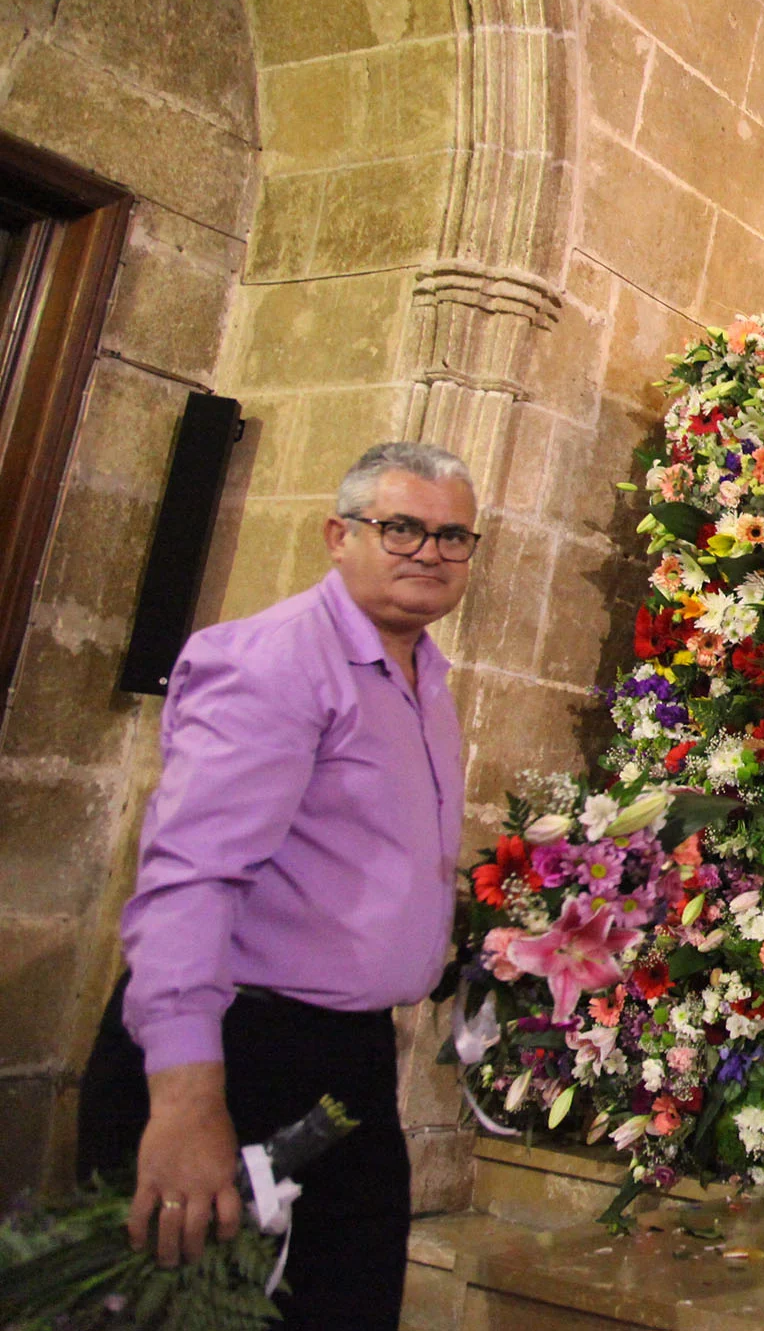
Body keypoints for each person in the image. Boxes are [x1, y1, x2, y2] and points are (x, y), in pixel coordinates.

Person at [77, 441, 478, 1330]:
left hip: (346, 1059)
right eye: (401, 527)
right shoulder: (275, 661)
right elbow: (190, 882)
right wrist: (185, 1104)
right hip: (241, 1046)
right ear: (340, 534)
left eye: (453, 536)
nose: (429, 552)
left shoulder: (427, 676)